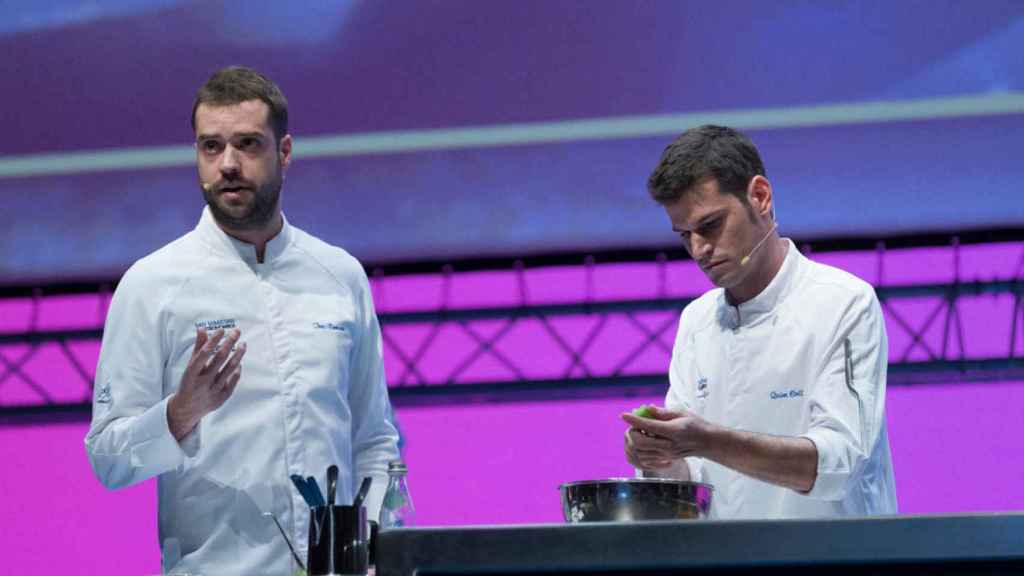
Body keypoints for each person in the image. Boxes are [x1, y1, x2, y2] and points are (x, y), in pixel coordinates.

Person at [85, 66, 400, 574]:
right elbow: (108, 458)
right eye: (211, 147)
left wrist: (371, 545)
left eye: (248, 144)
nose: (227, 164)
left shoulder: (340, 276)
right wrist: (178, 414)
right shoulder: (151, 285)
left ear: (285, 152)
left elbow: (374, 440)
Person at [622, 125, 897, 519]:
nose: (699, 250)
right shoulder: (696, 321)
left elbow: (841, 464)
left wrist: (706, 441)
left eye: (711, 225)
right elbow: (690, 485)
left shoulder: (843, 302)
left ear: (760, 196)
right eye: (685, 236)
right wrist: (660, 458)